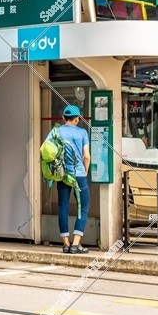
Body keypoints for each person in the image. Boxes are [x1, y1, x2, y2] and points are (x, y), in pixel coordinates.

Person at [56, 105, 91, 255]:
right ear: (77, 119)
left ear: (63, 118)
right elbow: (87, 156)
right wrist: (85, 172)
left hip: (62, 174)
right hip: (79, 175)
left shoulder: (56, 132)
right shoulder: (82, 132)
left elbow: (43, 150)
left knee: (63, 207)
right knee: (83, 207)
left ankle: (66, 244)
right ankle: (76, 244)